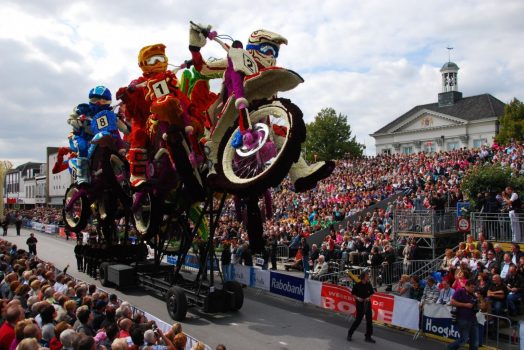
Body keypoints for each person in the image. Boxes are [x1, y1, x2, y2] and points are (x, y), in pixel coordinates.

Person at [447, 280, 479, 350]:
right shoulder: (460, 291)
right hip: (463, 319)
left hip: (473, 319)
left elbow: (476, 307)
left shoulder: (474, 295)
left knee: (475, 341)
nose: (473, 289)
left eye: (474, 287)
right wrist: (465, 305)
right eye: (471, 287)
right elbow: (452, 302)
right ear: (466, 286)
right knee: (464, 339)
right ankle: (450, 348)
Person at [347, 271, 376, 343]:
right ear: (363, 277)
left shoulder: (368, 284)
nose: (368, 277)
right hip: (360, 303)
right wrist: (358, 298)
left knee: (369, 320)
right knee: (358, 320)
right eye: (367, 276)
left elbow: (372, 293)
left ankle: (368, 336)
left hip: (367, 303)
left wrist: (369, 298)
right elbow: (353, 293)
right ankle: (350, 333)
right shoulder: (357, 285)